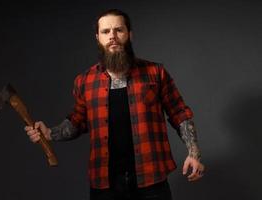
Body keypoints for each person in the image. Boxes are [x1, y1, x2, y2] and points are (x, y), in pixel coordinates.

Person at [25, 9, 205, 200]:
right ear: (98, 38)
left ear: (129, 34)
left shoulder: (155, 73)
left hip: (151, 179)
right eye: (105, 31)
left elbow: (179, 113)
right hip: (105, 184)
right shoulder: (84, 81)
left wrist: (194, 153)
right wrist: (50, 133)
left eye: (119, 30)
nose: (112, 36)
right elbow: (78, 121)